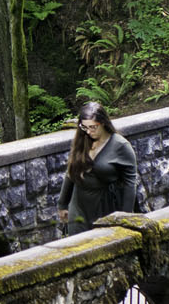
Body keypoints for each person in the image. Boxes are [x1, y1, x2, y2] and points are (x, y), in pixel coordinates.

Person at [57, 101, 139, 235]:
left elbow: (129, 184)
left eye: (93, 127)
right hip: (78, 207)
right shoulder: (83, 140)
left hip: (105, 207)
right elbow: (71, 171)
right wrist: (62, 204)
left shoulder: (120, 145)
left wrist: (125, 217)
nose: (88, 131)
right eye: (84, 127)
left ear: (103, 122)